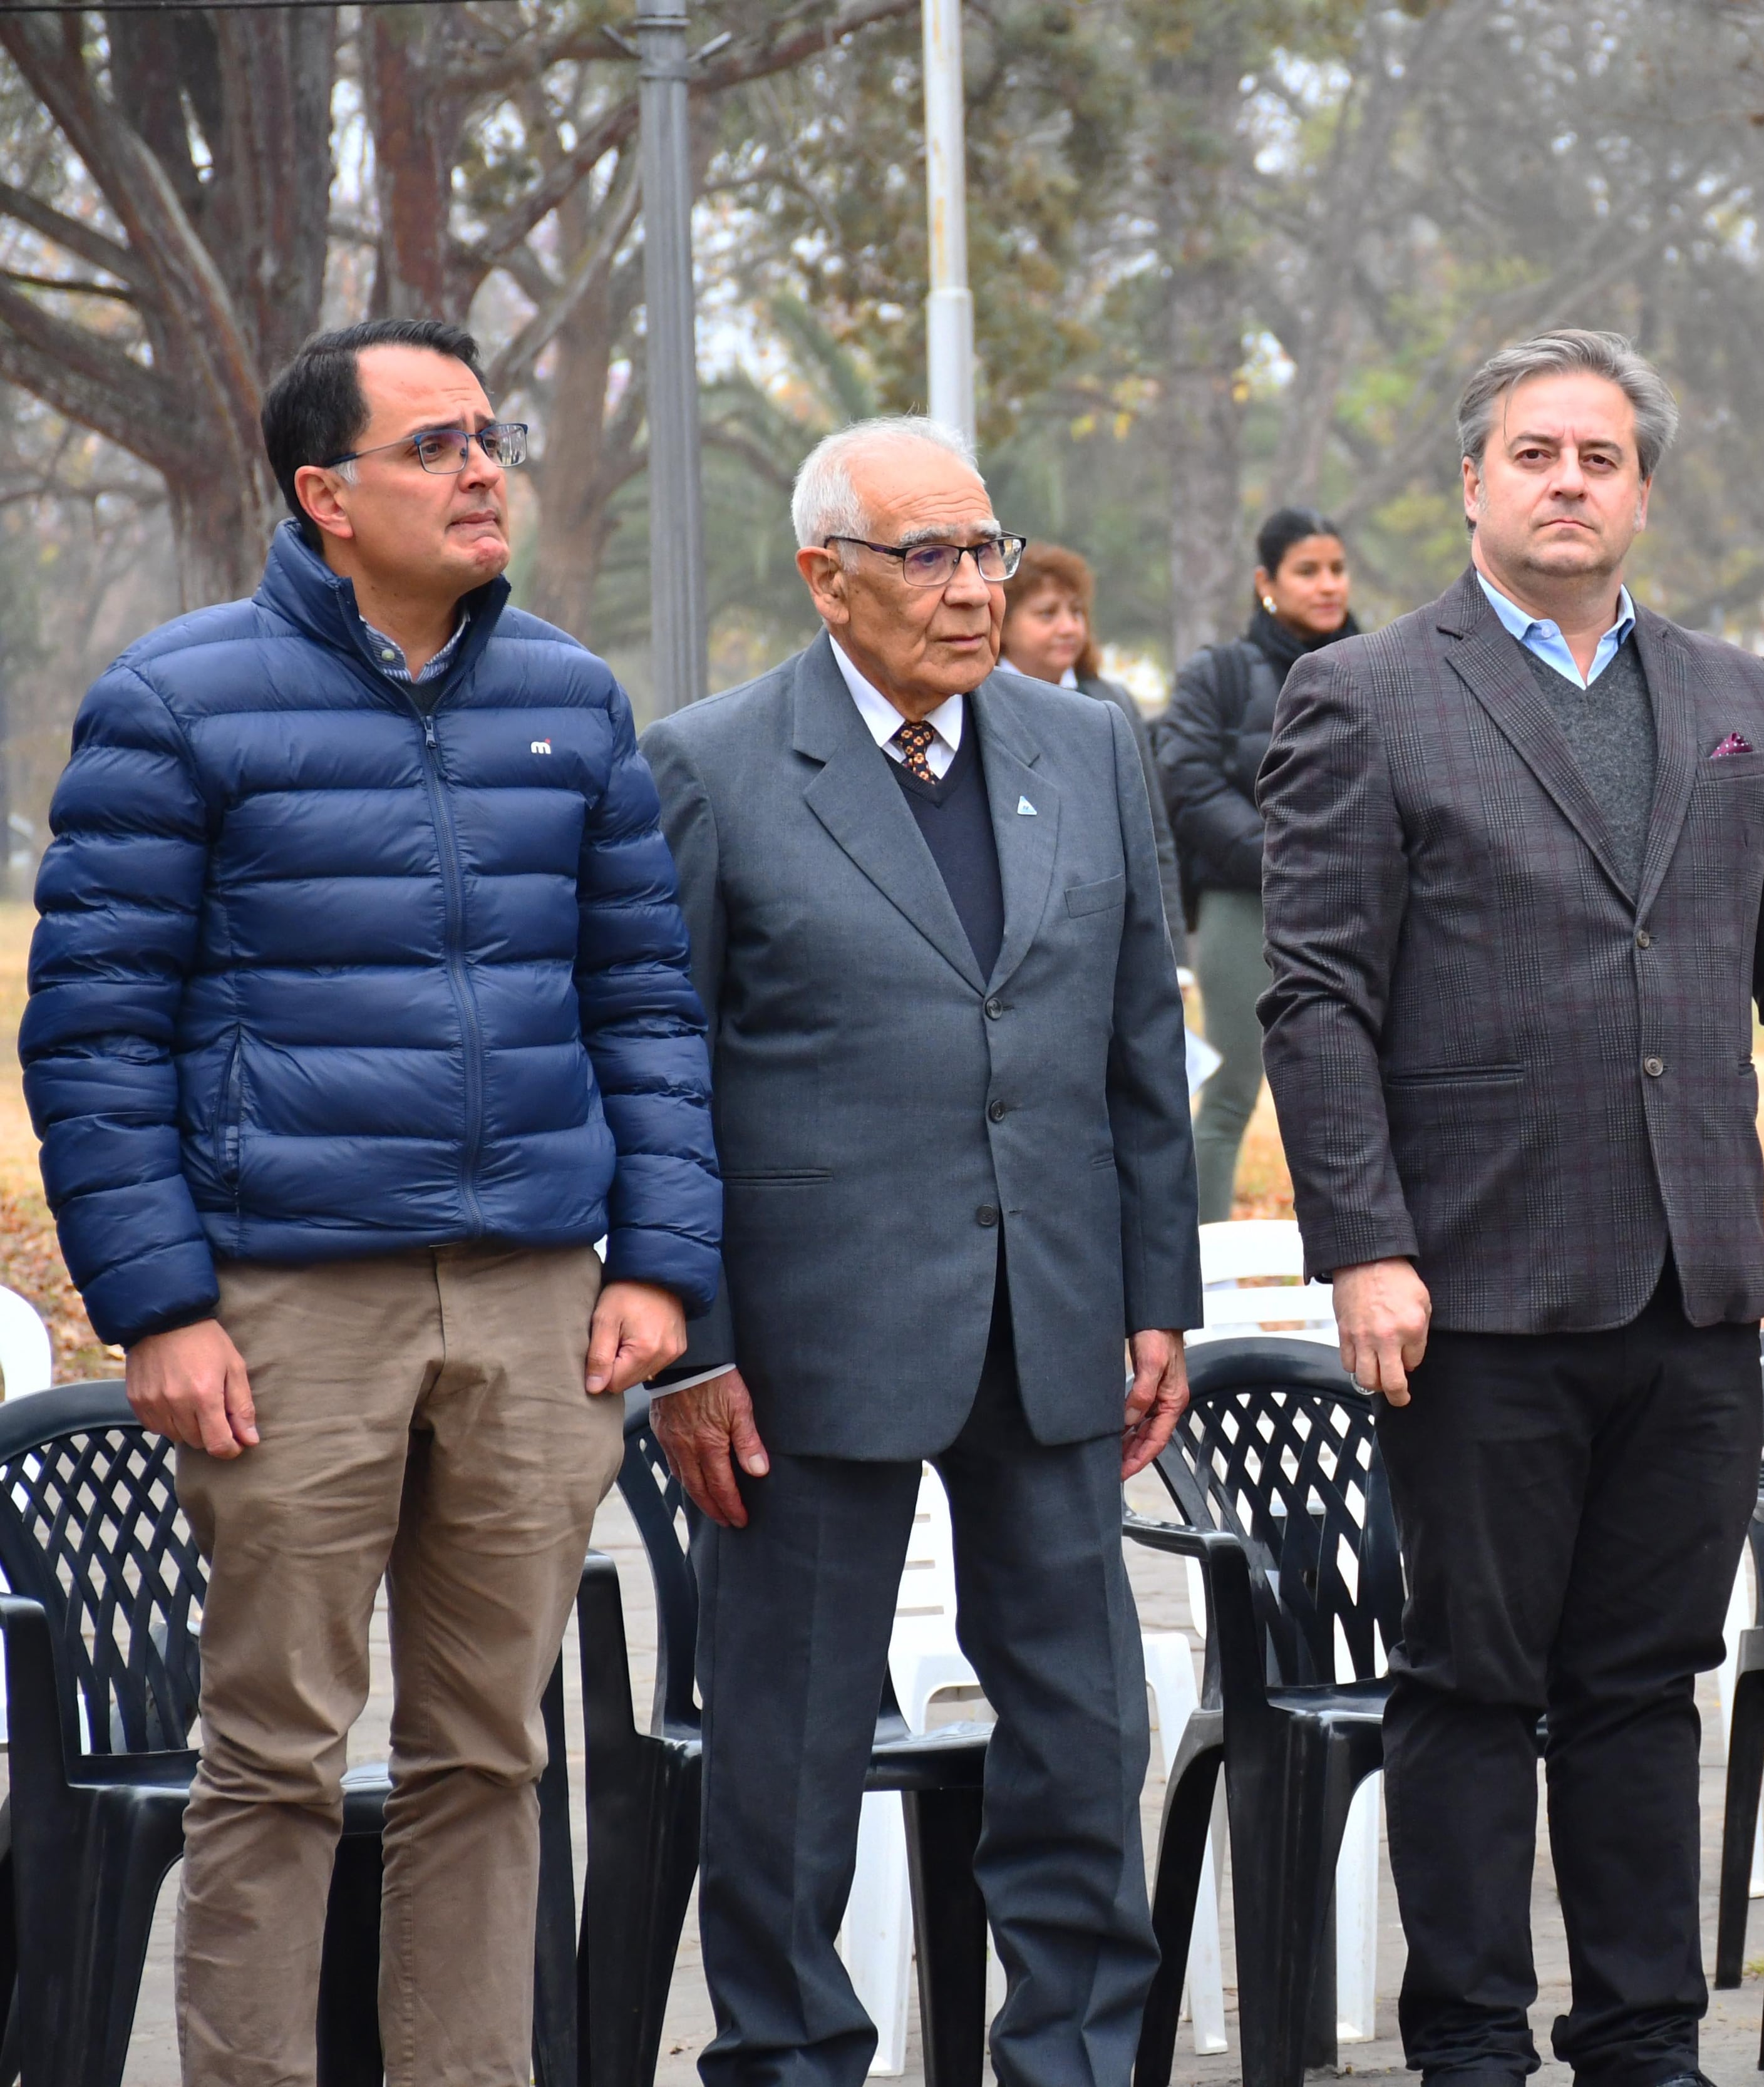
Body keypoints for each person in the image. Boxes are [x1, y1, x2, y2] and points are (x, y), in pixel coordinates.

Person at [19, 316, 720, 2084]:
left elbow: (644, 998)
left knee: (494, 1750)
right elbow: (92, 1036)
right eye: (437, 446)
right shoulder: (179, 702)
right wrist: (162, 1303)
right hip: (286, 1304)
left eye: (490, 435)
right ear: (326, 495)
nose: (486, 468)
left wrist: (660, 1262)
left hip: (533, 1295)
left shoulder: (570, 697)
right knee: (271, 1752)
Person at [1259, 329, 1764, 2087]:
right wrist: (1367, 1242)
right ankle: (1469, 2035)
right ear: (1470, 483)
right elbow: (1316, 995)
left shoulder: (1735, 695)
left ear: (1640, 490)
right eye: (1532, 453)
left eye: (1599, 457)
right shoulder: (1366, 694)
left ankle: (1642, 2035)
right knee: (1471, 1677)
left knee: (1644, 1679)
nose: (1566, 481)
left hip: (1693, 1284)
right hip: (1469, 1284)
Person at [638, 417, 1199, 2087]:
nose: (974, 591)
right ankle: (791, 2055)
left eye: (989, 551)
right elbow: (656, 1072)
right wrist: (692, 1341)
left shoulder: (1085, 746)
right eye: (931, 557)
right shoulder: (716, 765)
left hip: (1055, 1328)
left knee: (1086, 1739)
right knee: (792, 1753)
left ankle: (1077, 2057)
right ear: (827, 575)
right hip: (803, 1350)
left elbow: (1135, 1052)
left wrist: (1156, 1293)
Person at [1156, 508, 1358, 1220]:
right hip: (1245, 907)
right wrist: (1282, 858)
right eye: (1307, 571)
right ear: (1264, 583)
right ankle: (1201, 1272)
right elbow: (1185, 781)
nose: (1328, 585)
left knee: (1362, 1096)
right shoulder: (1218, 675)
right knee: (1232, 1089)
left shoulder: (1379, 666)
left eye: (1335, 568)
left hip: (1354, 911)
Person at [1001, 544, 1184, 942]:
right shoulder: (973, 702)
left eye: (1077, 612)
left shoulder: (1112, 703)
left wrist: (1174, 954)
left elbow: (1152, 839)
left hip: (1104, 928)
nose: (1068, 627)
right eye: (1047, 614)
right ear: (1001, 622)